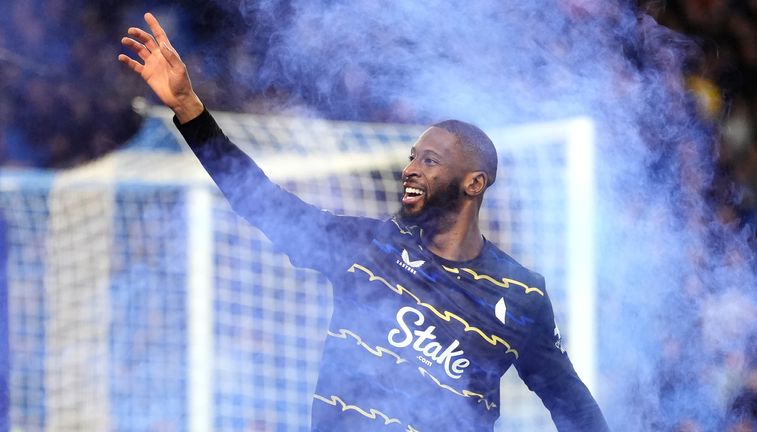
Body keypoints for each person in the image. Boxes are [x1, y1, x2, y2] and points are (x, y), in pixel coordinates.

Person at [119, 12, 610, 432]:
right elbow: (261, 202)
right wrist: (189, 109)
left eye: (431, 160)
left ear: (473, 184)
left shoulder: (519, 295)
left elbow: (572, 406)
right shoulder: (366, 247)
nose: (412, 167)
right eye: (413, 155)